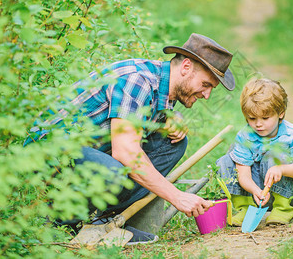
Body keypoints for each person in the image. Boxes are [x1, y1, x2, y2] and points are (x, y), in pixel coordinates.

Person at [26, 33, 235, 243]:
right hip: (47, 152)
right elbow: (125, 151)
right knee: (114, 171)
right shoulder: (138, 80)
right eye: (205, 84)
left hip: (87, 152)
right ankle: (57, 223)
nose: (206, 95)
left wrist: (173, 116)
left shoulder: (165, 87)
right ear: (186, 67)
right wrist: (177, 196)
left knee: (172, 144)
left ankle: (102, 219)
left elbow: (141, 119)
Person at [216, 78, 293, 226]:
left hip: (287, 193)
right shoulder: (245, 136)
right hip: (257, 195)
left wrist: (281, 169)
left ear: (280, 113)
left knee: (274, 154)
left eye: (265, 118)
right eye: (252, 118)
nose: (258, 124)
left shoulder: (291, 134)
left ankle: (283, 209)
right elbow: (243, 174)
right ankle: (246, 208)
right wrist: (255, 190)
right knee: (226, 161)